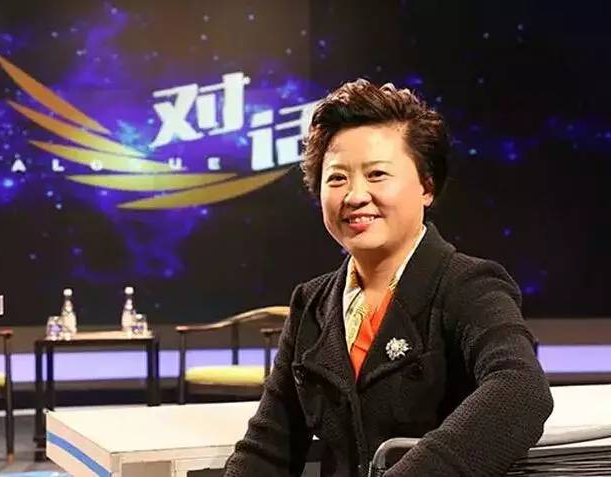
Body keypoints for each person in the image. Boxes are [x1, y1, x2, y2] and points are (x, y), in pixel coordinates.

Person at [224, 79, 553, 476]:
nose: (355, 195)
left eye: (377, 174)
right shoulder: (311, 303)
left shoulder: (468, 285)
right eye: (337, 178)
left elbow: (521, 390)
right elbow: (268, 448)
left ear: (427, 186)